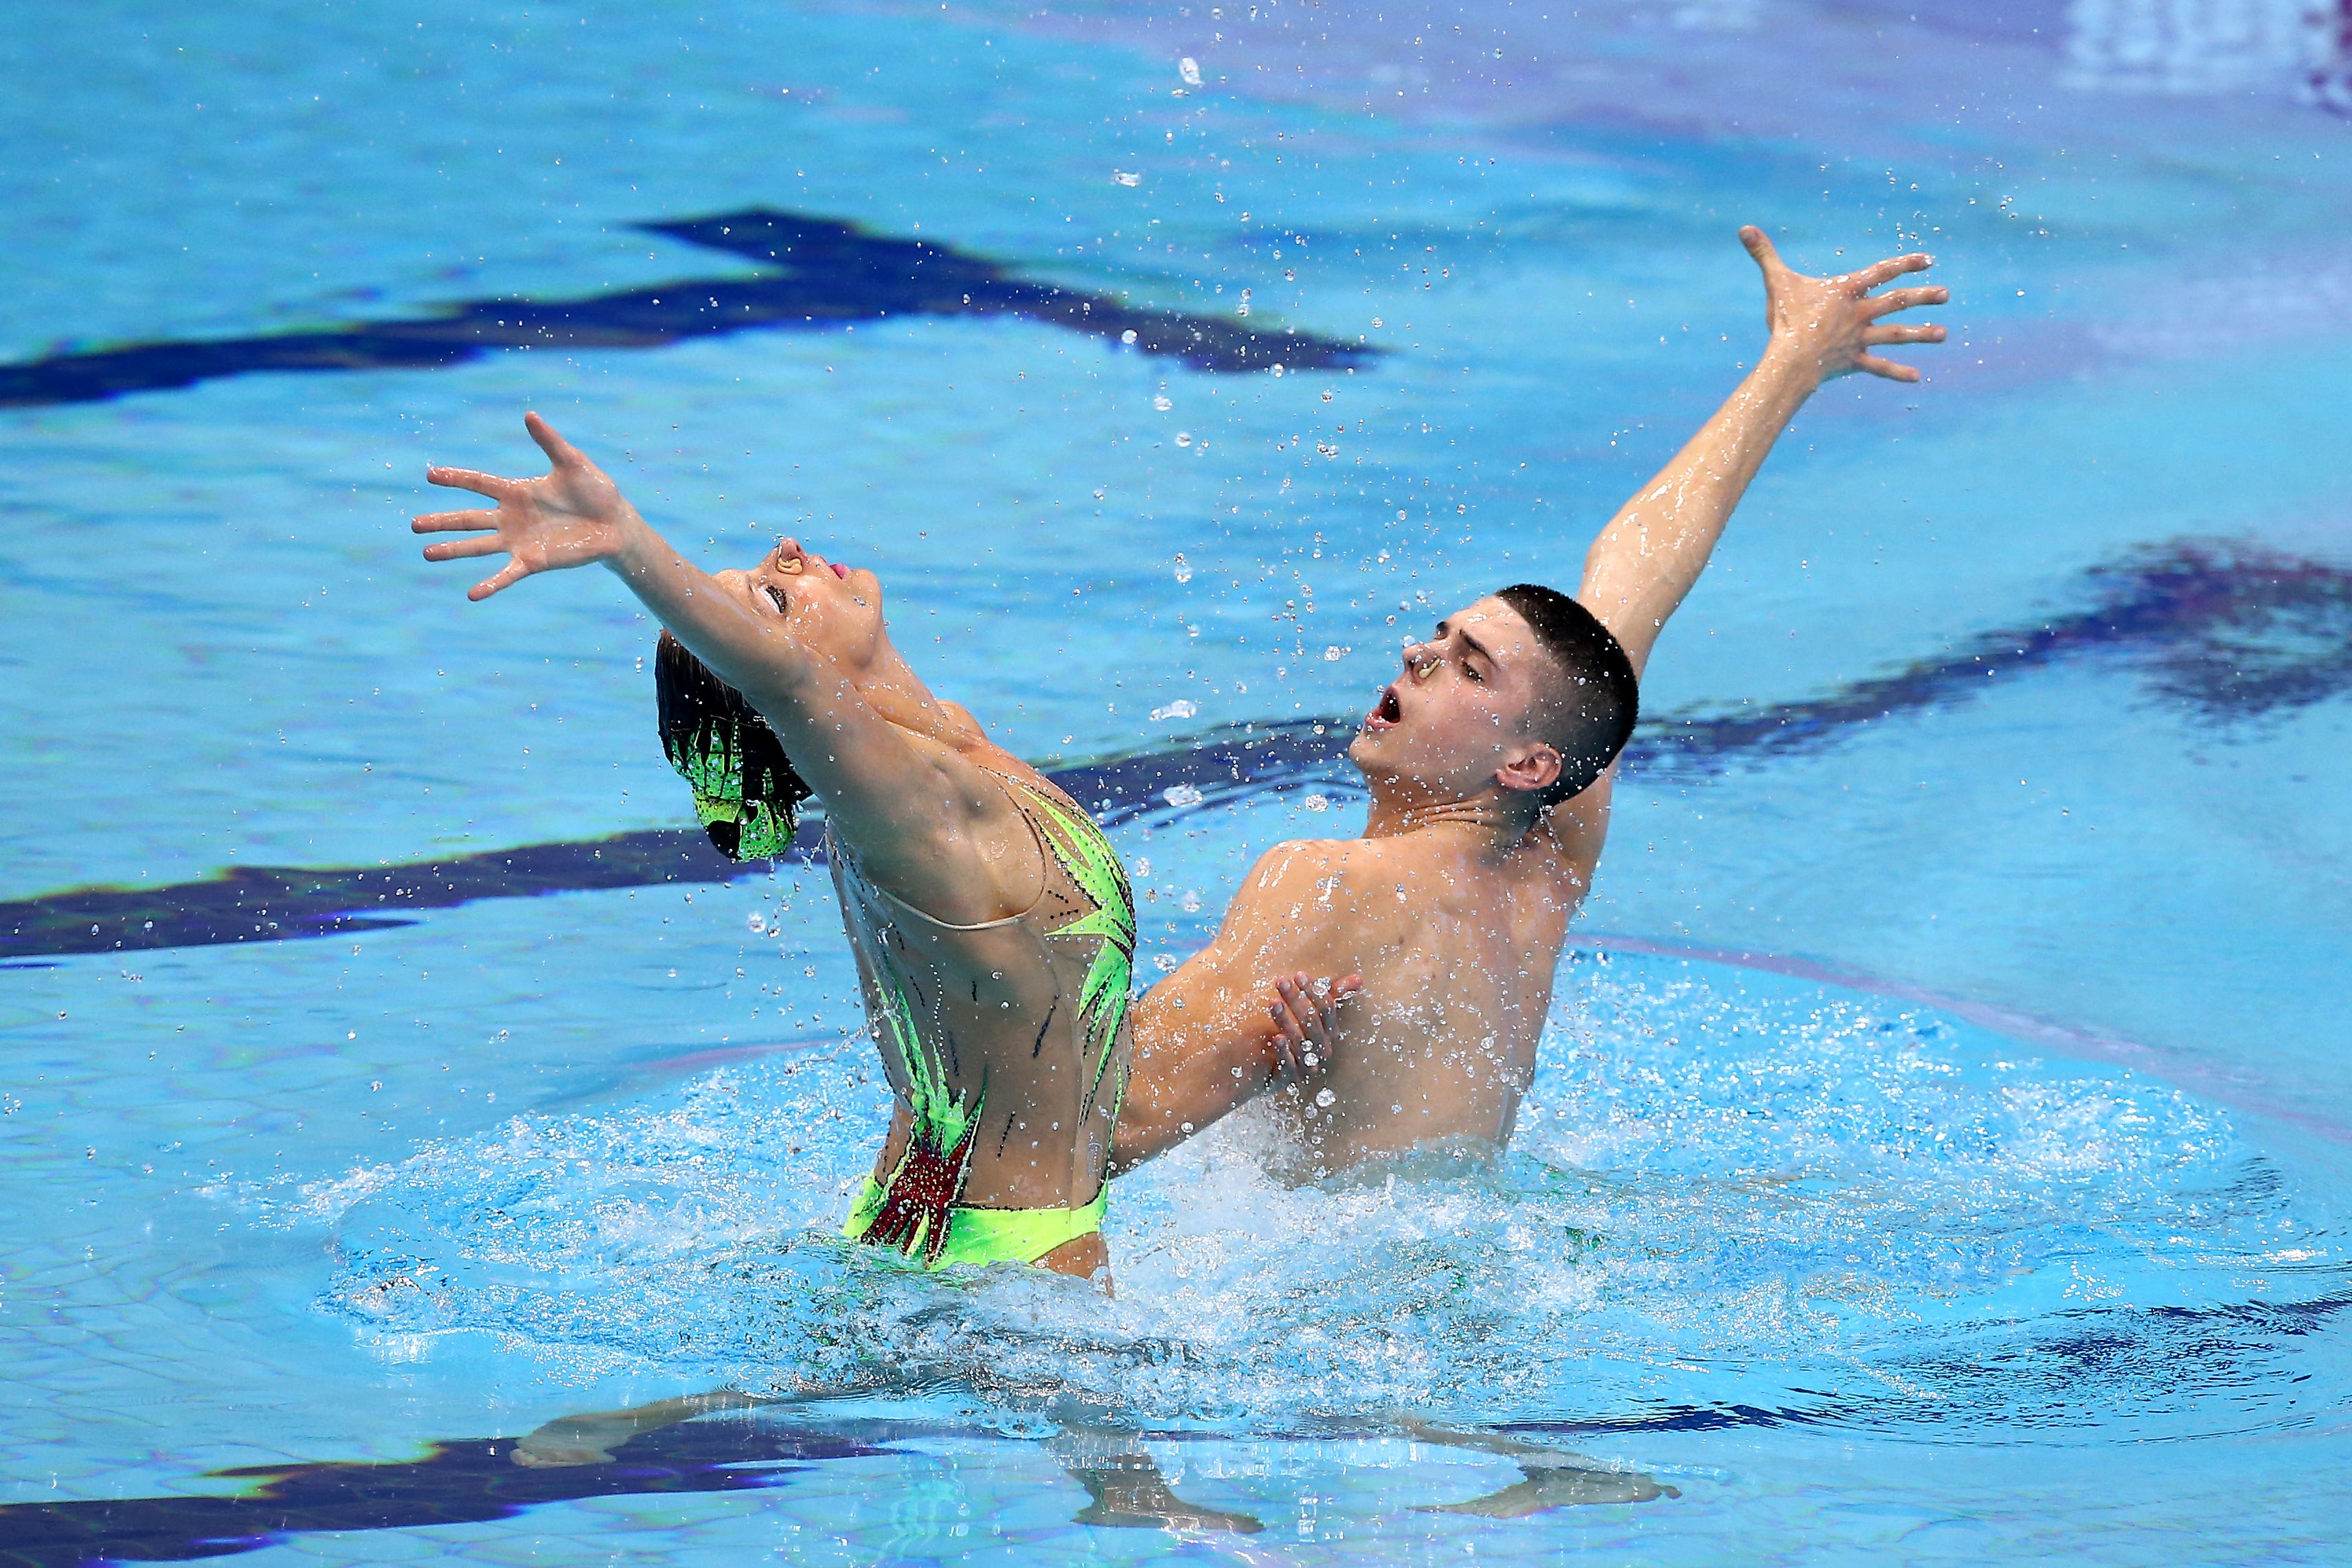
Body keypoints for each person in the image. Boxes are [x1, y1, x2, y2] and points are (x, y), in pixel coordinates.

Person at [1114, 227, 1949, 1179]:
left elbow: (1076, 1137)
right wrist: (1793, 361)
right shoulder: (1543, 872)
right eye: (1440, 636)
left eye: (1469, 667)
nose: (1419, 653)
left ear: (1527, 763)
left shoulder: (1325, 880)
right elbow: (1638, 571)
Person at [415, 415, 1201, 1280]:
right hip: (1016, 1261)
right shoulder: (914, 803)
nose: (785, 551)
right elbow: (783, 678)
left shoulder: (938, 764)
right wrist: (626, 543)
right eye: (772, 599)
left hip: (928, 1223)